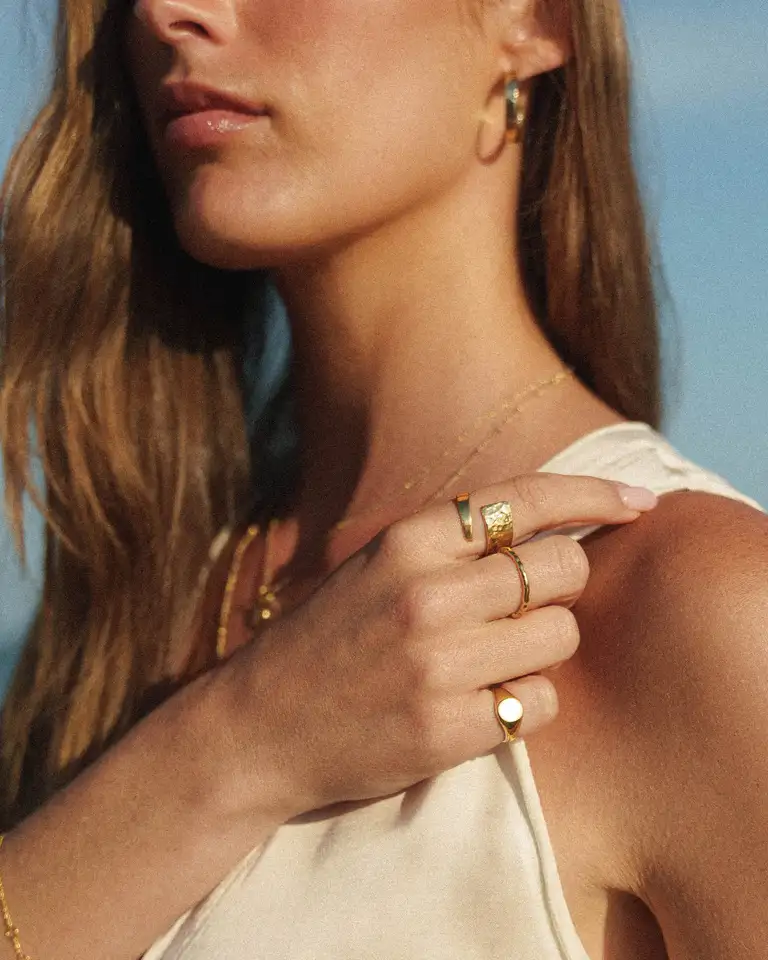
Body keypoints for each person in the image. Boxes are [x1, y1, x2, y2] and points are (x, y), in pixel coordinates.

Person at [0, 0, 765, 957]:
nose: (165, 11)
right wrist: (237, 744)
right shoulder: (132, 602)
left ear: (530, 20)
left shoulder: (707, 613)